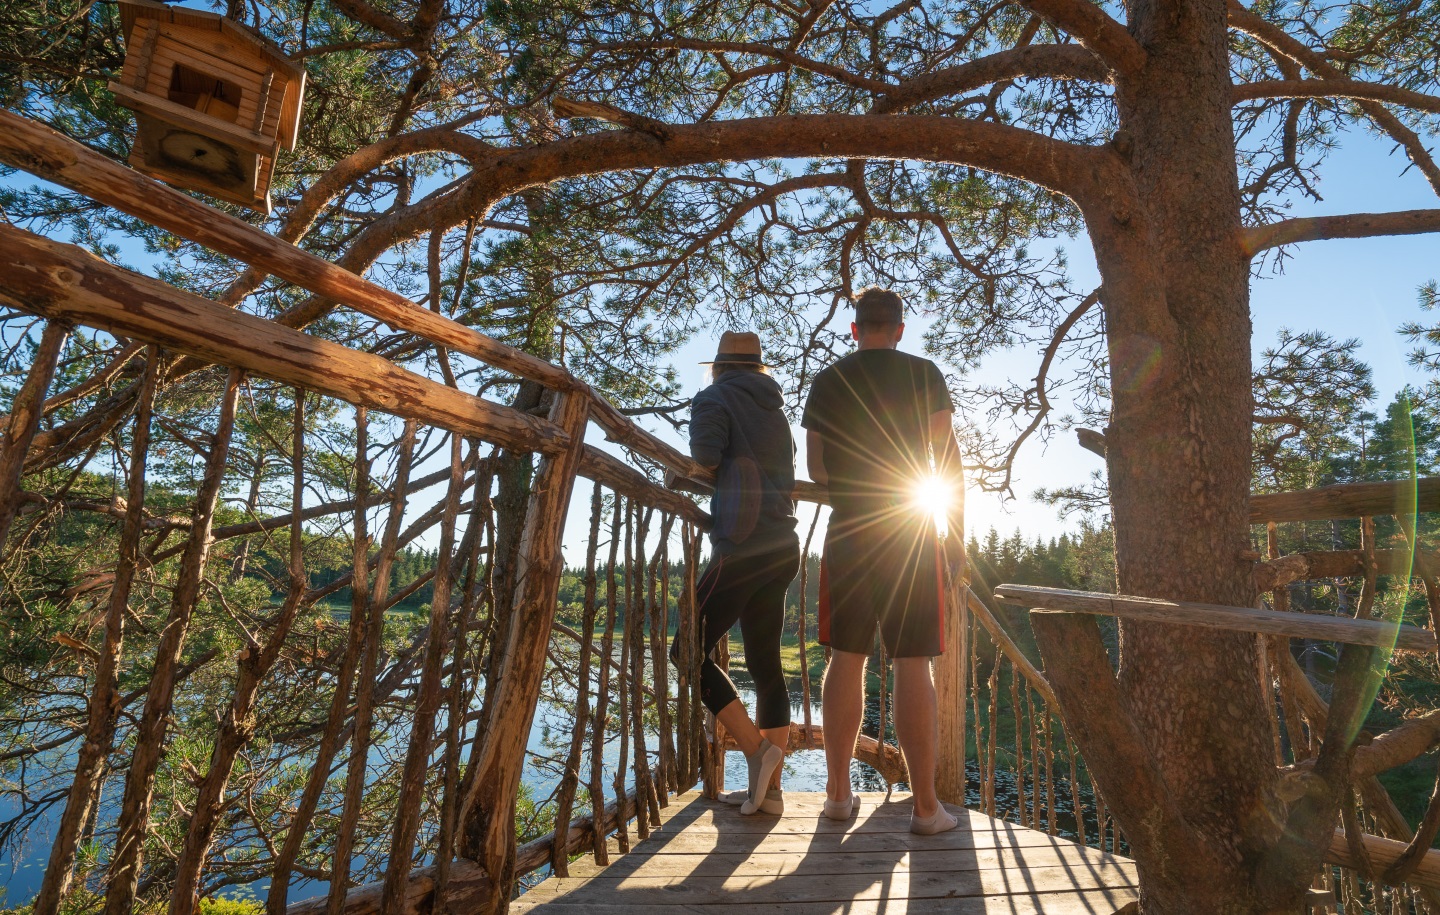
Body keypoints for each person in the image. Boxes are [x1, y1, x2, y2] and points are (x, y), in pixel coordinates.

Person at [802, 286, 966, 835]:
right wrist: (957, 533)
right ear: (899, 329)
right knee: (912, 663)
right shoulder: (925, 373)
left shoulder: (828, 380)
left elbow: (818, 468)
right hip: (912, 531)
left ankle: (838, 796)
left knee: (846, 658)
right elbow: (945, 459)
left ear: (855, 329)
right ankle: (925, 809)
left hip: (850, 529)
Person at [671, 331, 800, 815]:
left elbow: (706, 454)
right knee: (766, 665)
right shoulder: (777, 412)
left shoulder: (714, 397)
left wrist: (686, 469)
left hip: (742, 546)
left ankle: (755, 750)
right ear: (759, 368)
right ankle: (772, 794)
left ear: (720, 366)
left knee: (685, 650)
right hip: (784, 544)